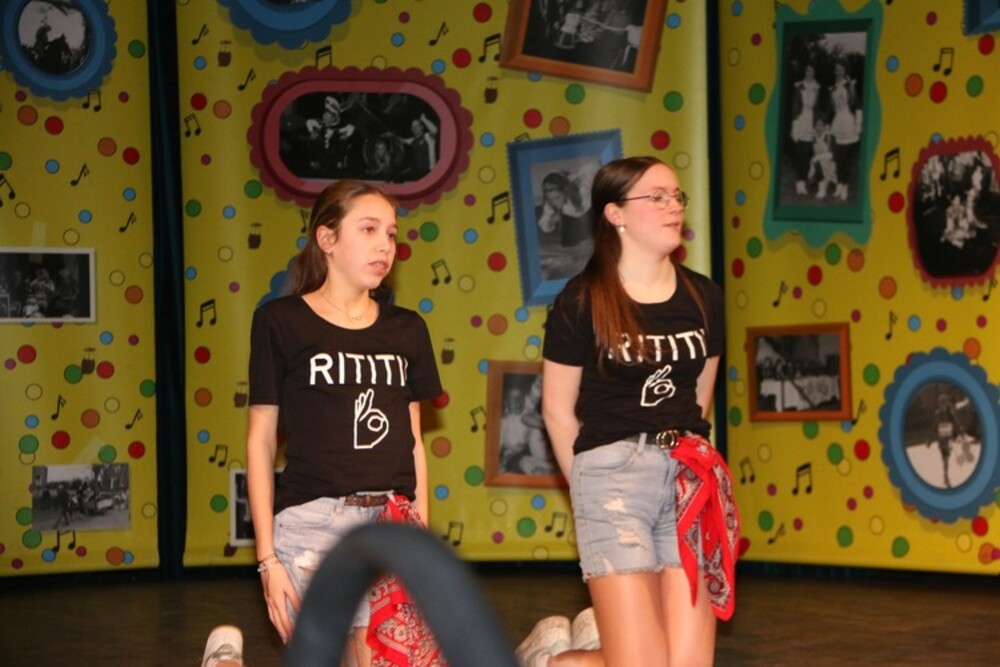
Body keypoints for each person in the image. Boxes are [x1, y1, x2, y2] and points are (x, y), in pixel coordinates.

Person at [518, 156, 739, 666]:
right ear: (615, 214)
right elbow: (556, 410)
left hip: (687, 478)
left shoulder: (704, 296)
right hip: (612, 478)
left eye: (676, 196)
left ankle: (574, 654)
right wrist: (590, 485)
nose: (672, 207)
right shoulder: (581, 300)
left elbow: (698, 398)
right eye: (656, 197)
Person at [246, 180, 444, 665]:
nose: (385, 246)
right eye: (369, 229)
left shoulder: (407, 329)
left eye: (391, 234)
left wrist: (421, 535)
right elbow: (260, 441)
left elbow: (413, 442)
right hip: (313, 522)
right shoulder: (280, 321)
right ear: (327, 238)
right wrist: (267, 560)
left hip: (390, 523)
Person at [829, 61, 861, 202]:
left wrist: (858, 124)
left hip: (848, 122)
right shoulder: (832, 88)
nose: (838, 71)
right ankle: (839, 185)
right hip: (837, 123)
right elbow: (831, 108)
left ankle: (845, 186)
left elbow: (857, 106)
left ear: (845, 71)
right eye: (836, 69)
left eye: (841, 69)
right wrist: (828, 124)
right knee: (838, 157)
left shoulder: (850, 85)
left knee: (846, 158)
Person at [789, 63, 821, 196]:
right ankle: (799, 183)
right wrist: (794, 126)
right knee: (799, 154)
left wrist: (818, 125)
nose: (809, 73)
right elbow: (795, 106)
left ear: (814, 73)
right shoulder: (799, 86)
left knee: (808, 154)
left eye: (812, 71)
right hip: (801, 119)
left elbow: (817, 107)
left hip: (811, 121)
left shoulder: (817, 87)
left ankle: (805, 181)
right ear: (805, 72)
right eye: (808, 71)